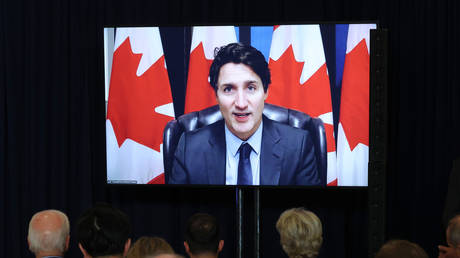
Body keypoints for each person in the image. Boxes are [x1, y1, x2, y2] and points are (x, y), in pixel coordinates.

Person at [170, 42, 319, 186]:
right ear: (216, 95)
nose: (241, 104)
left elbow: (305, 212)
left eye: (251, 88)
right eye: (228, 89)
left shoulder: (298, 146)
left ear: (266, 91)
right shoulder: (189, 148)